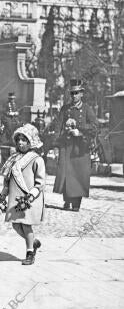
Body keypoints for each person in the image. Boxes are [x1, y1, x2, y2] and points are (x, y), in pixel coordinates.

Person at [0, 124, 45, 265]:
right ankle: (34, 242)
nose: (20, 142)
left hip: (29, 198)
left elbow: (40, 182)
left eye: (24, 140)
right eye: (18, 140)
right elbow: (7, 180)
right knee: (16, 225)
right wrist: (2, 195)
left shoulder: (36, 159)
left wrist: (31, 195)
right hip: (14, 198)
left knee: (26, 225)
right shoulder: (13, 159)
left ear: (31, 142)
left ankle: (30, 252)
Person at [53, 79, 98, 212]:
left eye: (76, 93)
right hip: (66, 146)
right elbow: (58, 127)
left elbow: (95, 126)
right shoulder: (65, 109)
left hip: (81, 147)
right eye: (72, 93)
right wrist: (56, 146)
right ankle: (67, 201)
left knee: (79, 174)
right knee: (67, 173)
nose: (74, 96)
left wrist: (79, 129)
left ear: (82, 94)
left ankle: (76, 203)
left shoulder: (87, 109)